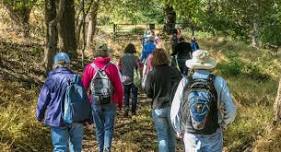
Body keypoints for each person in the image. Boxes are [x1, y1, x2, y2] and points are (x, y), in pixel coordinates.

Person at [170, 50, 236, 152]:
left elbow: (175, 109)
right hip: (213, 132)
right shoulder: (219, 81)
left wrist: (179, 129)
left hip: (190, 133)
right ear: (209, 65)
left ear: (193, 65)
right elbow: (231, 110)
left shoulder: (185, 82)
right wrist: (223, 124)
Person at [36, 52, 86, 152]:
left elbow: (43, 99)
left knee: (60, 148)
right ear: (68, 64)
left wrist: (39, 115)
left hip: (57, 118)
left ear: (55, 64)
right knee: (76, 148)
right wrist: (88, 118)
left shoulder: (51, 79)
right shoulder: (76, 78)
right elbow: (84, 100)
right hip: (76, 118)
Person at [81, 43, 123, 152]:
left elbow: (83, 87)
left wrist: (84, 104)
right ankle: (106, 149)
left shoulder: (89, 68)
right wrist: (120, 102)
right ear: (106, 53)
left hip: (95, 102)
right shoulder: (112, 67)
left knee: (99, 129)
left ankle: (100, 149)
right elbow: (119, 87)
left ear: (95, 53)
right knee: (108, 128)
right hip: (110, 101)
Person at [144, 48, 182, 152]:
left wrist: (154, 94)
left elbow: (148, 91)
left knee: (162, 137)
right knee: (171, 135)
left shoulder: (152, 74)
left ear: (154, 59)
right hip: (173, 107)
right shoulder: (174, 71)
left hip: (158, 107)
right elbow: (182, 88)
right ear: (166, 57)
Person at [119, 43, 140, 116]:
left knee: (126, 95)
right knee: (134, 95)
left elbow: (120, 68)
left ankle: (126, 110)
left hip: (125, 78)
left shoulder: (122, 58)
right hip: (134, 78)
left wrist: (123, 73)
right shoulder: (136, 58)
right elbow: (138, 67)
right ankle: (133, 111)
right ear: (133, 49)